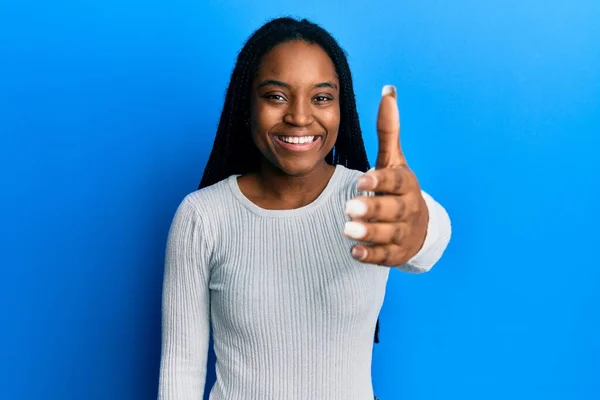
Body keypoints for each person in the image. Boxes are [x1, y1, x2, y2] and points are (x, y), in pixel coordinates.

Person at [158, 17, 451, 400]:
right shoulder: (202, 217)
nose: (299, 116)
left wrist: (419, 226)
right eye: (276, 96)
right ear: (246, 106)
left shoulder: (369, 199)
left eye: (321, 97)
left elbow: (429, 238)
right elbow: (181, 371)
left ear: (340, 108)